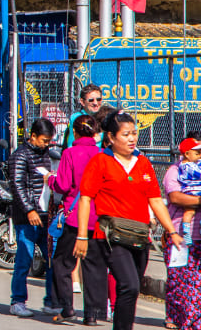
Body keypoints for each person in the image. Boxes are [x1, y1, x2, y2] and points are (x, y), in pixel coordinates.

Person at [75, 112, 184, 330]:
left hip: (140, 236)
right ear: (111, 137)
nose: (132, 138)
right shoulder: (100, 161)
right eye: (126, 134)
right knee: (129, 285)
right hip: (111, 237)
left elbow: (155, 200)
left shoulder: (143, 163)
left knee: (131, 290)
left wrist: (172, 231)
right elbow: (85, 199)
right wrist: (82, 236)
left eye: (134, 133)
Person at [48, 114, 105, 325]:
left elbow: (62, 185)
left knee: (62, 262)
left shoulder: (70, 153)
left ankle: (67, 307)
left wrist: (50, 180)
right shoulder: (102, 154)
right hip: (99, 216)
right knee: (93, 265)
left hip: (75, 217)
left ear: (74, 131)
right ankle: (92, 314)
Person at [9, 117, 58, 318]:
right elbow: (17, 185)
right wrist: (29, 210)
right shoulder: (20, 155)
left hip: (46, 215)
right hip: (26, 218)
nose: (47, 144)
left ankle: (50, 301)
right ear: (33, 136)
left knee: (51, 260)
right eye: (44, 140)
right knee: (24, 260)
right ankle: (17, 301)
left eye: (49, 141)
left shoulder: (46, 154)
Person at [162, 130, 201, 330]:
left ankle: (192, 319)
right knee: (180, 279)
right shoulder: (175, 170)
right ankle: (179, 317)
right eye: (197, 151)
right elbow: (175, 197)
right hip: (180, 234)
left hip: (199, 233)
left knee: (195, 281)